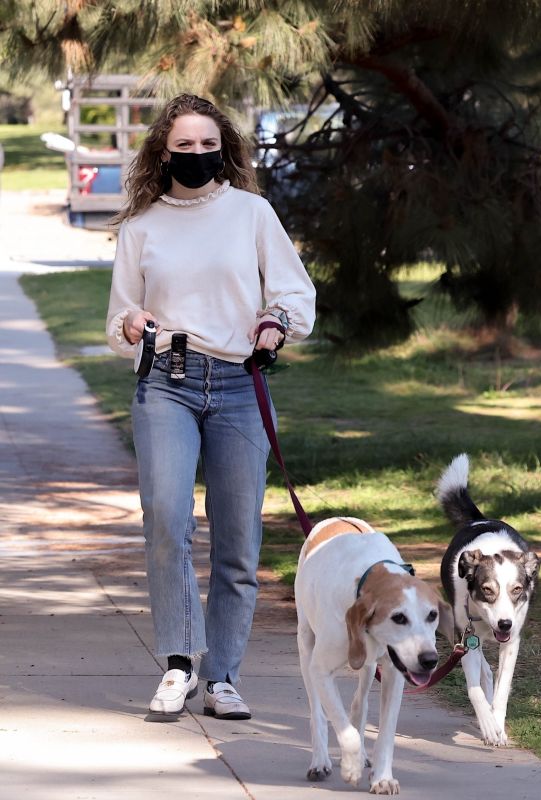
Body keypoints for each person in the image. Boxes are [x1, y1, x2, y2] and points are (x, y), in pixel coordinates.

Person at [106, 94, 315, 720]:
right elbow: (117, 321)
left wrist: (275, 323)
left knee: (239, 538)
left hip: (238, 384)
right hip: (166, 381)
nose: (197, 155)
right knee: (167, 519)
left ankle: (223, 676)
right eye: (184, 147)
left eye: (207, 145)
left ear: (223, 147)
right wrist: (133, 322)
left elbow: (294, 292)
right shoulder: (140, 228)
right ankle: (178, 663)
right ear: (162, 153)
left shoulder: (252, 213)